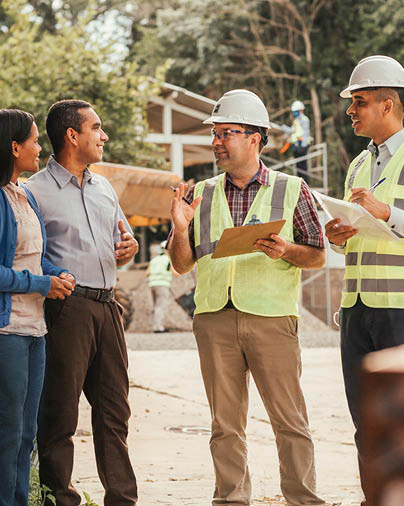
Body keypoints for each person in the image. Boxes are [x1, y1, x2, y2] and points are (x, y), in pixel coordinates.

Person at [167, 89, 325, 506]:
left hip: (272, 319)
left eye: (227, 133)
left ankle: (304, 499)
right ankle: (231, 500)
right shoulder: (199, 193)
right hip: (215, 318)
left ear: (255, 138)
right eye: (215, 134)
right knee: (224, 425)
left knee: (289, 421)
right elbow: (181, 265)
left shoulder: (293, 189)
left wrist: (287, 250)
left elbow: (318, 255)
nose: (217, 142)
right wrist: (180, 228)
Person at [25, 99, 139, 506]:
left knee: (115, 412)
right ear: (72, 136)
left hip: (109, 307)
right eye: (96, 128)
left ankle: (122, 500)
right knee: (60, 413)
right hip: (67, 309)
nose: (103, 136)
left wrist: (128, 246)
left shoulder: (105, 187)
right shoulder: (32, 192)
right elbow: (27, 254)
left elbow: (123, 240)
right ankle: (60, 498)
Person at [0, 109, 74, 506]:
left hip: (34, 332)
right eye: (33, 140)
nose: (39, 147)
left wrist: (57, 273)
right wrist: (40, 284)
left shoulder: (23, 193)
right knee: (2, 433)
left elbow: (33, 258)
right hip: (1, 332)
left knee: (25, 433)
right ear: (14, 147)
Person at [324, 54, 404, 502]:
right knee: (365, 418)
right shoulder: (357, 165)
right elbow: (352, 237)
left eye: (359, 102)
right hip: (357, 309)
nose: (351, 111)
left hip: (400, 308)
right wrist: (337, 236)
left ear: (387, 104)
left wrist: (387, 212)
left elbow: (384, 218)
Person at [281, 100, 313, 182]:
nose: (294, 113)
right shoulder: (296, 121)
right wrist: (283, 127)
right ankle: (300, 182)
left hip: (302, 146)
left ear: (301, 110)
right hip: (296, 145)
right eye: (294, 111)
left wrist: (302, 145)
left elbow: (305, 133)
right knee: (298, 165)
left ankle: (305, 182)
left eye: (296, 111)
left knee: (302, 165)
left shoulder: (304, 120)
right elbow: (292, 131)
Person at [146, 241, 172, 333]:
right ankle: (158, 327)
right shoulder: (169, 260)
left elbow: (147, 273)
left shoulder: (154, 259)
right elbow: (176, 273)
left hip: (152, 284)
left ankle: (155, 326)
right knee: (160, 306)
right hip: (163, 284)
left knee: (156, 306)